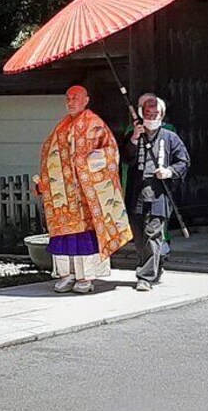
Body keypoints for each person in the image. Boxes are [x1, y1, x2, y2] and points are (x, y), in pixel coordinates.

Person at [36, 85, 132, 294]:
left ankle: (85, 278)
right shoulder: (61, 127)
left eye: (75, 98)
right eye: (68, 98)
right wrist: (46, 181)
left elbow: (110, 154)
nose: (70, 101)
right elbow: (50, 158)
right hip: (63, 197)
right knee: (62, 238)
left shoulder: (95, 124)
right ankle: (66, 275)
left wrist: (83, 164)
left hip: (85, 195)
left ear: (86, 100)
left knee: (83, 238)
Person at [121, 94, 190, 292]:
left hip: (159, 193)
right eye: (148, 112)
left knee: (153, 234)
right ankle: (156, 263)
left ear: (162, 114)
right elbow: (125, 157)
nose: (152, 116)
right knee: (140, 237)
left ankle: (145, 277)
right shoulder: (134, 134)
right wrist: (134, 138)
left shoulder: (170, 137)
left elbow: (183, 161)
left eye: (156, 113)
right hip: (136, 192)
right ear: (142, 113)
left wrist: (169, 171)